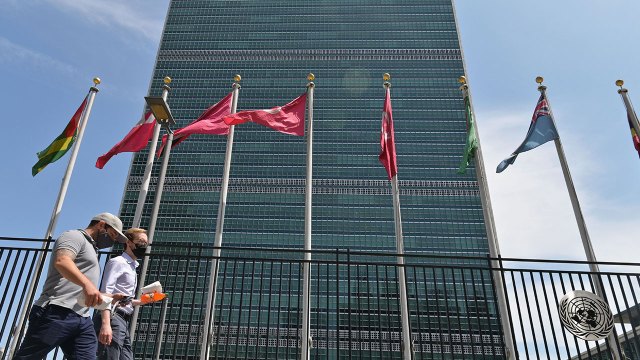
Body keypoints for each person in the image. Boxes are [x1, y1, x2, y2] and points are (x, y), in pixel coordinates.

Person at [13, 213, 128, 360]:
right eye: (112, 235)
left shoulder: (93, 250)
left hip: (82, 318)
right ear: (101, 225)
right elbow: (62, 261)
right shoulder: (74, 236)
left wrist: (110, 297)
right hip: (56, 310)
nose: (112, 241)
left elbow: (84, 289)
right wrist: (87, 283)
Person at [94, 228, 149, 360]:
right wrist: (106, 324)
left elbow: (122, 299)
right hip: (113, 317)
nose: (143, 245)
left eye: (146, 243)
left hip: (123, 320)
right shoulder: (118, 262)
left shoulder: (132, 267)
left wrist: (142, 301)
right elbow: (105, 294)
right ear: (129, 243)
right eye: (140, 241)